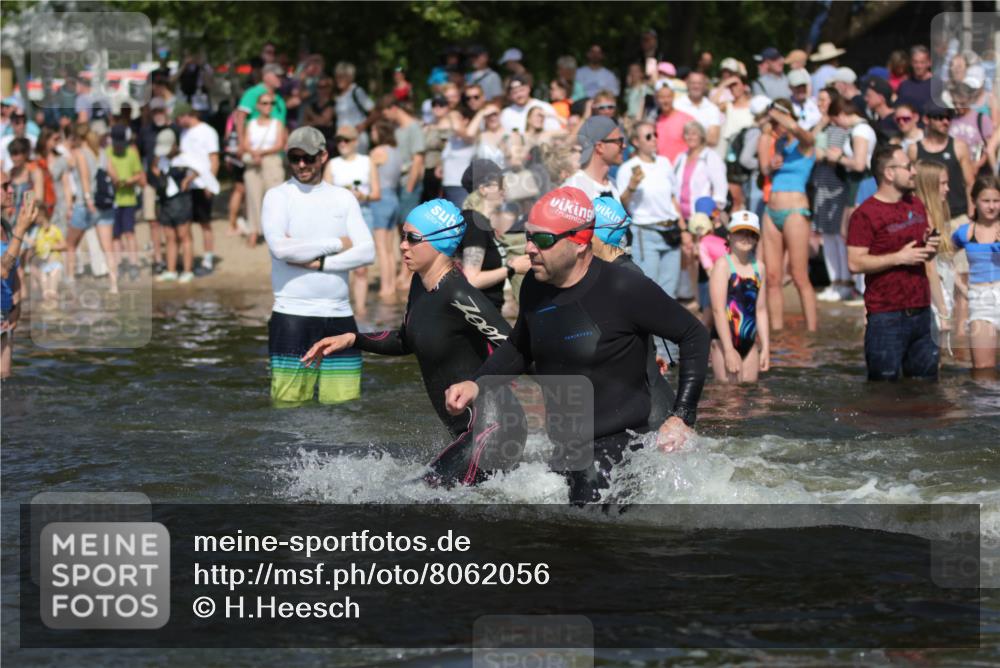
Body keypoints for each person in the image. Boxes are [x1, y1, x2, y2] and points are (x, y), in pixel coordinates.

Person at [443, 187, 710, 504]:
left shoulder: (623, 287)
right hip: (567, 449)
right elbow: (520, 347)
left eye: (542, 239)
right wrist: (477, 384)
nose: (529, 248)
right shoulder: (534, 287)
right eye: (528, 236)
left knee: (583, 523)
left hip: (621, 447)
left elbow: (694, 334)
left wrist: (681, 416)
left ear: (580, 242)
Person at [302, 199, 525, 486]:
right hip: (467, 431)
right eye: (403, 236)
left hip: (495, 428)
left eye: (413, 238)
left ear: (440, 242)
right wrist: (353, 339)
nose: (403, 245)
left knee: (418, 495)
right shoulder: (420, 283)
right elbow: (405, 341)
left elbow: (518, 347)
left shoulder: (460, 295)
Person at [262, 126, 375, 406]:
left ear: (323, 156)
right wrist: (338, 242)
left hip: (340, 315)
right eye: (295, 158)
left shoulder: (343, 197)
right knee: (288, 407)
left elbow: (367, 251)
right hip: (292, 315)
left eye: (308, 158)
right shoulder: (278, 196)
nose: (301, 164)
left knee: (345, 409)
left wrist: (320, 263)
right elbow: (280, 249)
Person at [847, 144, 939, 381]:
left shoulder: (916, 204)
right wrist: (899, 257)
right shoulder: (865, 214)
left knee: (927, 388)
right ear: (889, 173)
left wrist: (930, 247)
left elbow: (921, 252)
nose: (914, 172)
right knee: (883, 391)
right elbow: (855, 263)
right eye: (908, 167)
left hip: (922, 312)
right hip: (886, 316)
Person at [589, 195, 675, 429]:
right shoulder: (611, 273)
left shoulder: (625, 277)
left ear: (600, 234)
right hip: (633, 402)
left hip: (650, 408)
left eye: (586, 230)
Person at [758, 99, 818, 331]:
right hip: (771, 211)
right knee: (773, 277)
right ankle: (777, 331)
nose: (775, 126)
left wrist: (776, 113)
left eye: (777, 121)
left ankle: (812, 331)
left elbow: (796, 129)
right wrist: (771, 164)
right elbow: (764, 168)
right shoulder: (779, 144)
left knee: (799, 276)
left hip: (795, 211)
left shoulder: (805, 143)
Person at [457, 159, 530, 310]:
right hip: (479, 313)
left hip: (486, 311)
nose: (505, 189)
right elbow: (471, 279)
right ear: (484, 189)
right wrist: (512, 269)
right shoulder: (474, 224)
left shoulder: (482, 223)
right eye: (500, 183)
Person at [709, 210, 770, 384]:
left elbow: (761, 310)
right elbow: (718, 310)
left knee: (750, 390)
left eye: (751, 234)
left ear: (756, 238)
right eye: (740, 232)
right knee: (728, 394)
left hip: (749, 342)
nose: (746, 238)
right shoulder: (723, 265)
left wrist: (766, 347)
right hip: (723, 341)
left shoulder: (759, 268)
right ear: (729, 236)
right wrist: (728, 350)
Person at [325, 125, 380, 314]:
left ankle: (361, 312)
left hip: (363, 215)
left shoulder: (367, 162)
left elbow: (377, 193)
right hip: (338, 218)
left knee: (361, 267)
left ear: (355, 142)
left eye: (346, 140)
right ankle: (341, 309)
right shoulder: (332, 164)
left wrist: (363, 196)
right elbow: (325, 194)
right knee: (340, 264)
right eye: (339, 140)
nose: (342, 144)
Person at [951, 175, 1000, 376]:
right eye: (986, 201)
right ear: (974, 201)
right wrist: (962, 287)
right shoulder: (964, 233)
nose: (992, 206)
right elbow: (943, 260)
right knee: (983, 371)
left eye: (996, 201)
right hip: (980, 301)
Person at [63, 124, 116, 293]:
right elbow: (115, 177)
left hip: (85, 205)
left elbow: (84, 178)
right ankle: (114, 285)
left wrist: (88, 199)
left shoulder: (80, 153)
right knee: (108, 248)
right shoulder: (102, 153)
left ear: (78, 138)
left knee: (70, 244)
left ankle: (70, 279)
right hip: (105, 204)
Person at [811, 87, 852, 302]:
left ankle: (845, 283)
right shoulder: (819, 127)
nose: (820, 104)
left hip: (837, 186)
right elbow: (809, 147)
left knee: (838, 235)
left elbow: (826, 154)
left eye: (824, 100)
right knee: (826, 236)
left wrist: (820, 153)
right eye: (818, 100)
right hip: (821, 186)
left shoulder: (840, 128)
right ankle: (834, 282)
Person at [914, 160, 956, 356]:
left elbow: (945, 265)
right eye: (943, 184)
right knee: (931, 360)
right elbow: (930, 269)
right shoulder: (926, 220)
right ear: (929, 186)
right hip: (933, 299)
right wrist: (943, 313)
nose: (948, 189)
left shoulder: (937, 214)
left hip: (941, 294)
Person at [909, 103, 974, 222]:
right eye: (940, 117)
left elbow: (970, 183)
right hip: (927, 216)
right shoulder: (914, 150)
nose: (945, 122)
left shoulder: (959, 146)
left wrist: (971, 211)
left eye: (948, 118)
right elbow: (911, 184)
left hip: (957, 215)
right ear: (926, 119)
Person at [176, 102, 220, 275]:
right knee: (186, 223)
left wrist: (210, 183)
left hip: (203, 184)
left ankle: (208, 260)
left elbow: (214, 159)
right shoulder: (184, 133)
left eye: (179, 118)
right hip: (187, 185)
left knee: (205, 223)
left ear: (187, 114)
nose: (177, 122)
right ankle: (190, 259)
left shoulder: (207, 131)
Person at [150, 127, 196, 283]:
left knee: (184, 235)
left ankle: (188, 270)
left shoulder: (185, 158)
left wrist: (188, 180)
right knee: (169, 236)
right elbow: (154, 168)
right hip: (166, 201)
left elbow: (201, 168)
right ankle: (171, 270)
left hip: (181, 200)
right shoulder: (161, 159)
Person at [241, 92, 287, 248]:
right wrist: (254, 153)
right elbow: (245, 143)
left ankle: (275, 232)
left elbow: (280, 144)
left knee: (274, 199)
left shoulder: (277, 123)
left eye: (271, 103)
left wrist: (261, 153)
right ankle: (253, 231)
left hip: (272, 161)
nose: (269, 106)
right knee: (253, 197)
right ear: (258, 106)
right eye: (265, 103)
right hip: (253, 162)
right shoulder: (251, 123)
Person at [368, 118, 402, 301]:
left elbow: (367, 174)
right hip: (394, 198)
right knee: (389, 249)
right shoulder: (396, 152)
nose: (371, 134)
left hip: (380, 198)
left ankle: (385, 288)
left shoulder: (377, 152)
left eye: (374, 131)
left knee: (381, 248)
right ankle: (391, 286)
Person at [107, 125, 145, 277]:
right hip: (112, 200)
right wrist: (114, 179)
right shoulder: (107, 152)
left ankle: (133, 263)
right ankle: (119, 264)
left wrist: (130, 180)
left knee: (130, 232)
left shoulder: (131, 153)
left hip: (129, 199)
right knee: (115, 235)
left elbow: (139, 174)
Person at [674, 121, 728, 221]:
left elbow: (720, 188)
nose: (690, 137)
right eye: (687, 134)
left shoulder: (710, 157)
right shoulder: (681, 157)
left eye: (694, 134)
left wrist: (714, 214)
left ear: (701, 136)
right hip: (680, 217)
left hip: (703, 217)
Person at [562, 116, 624, 201]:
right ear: (600, 147)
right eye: (619, 141)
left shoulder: (612, 184)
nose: (624, 145)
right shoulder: (574, 189)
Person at [236, 63, 287, 153]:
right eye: (277, 76)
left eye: (281, 76)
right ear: (266, 76)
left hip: (277, 153)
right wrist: (241, 143)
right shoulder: (252, 93)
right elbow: (240, 118)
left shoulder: (279, 98)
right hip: (255, 152)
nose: (280, 79)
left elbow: (282, 123)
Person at [333, 62, 375, 154]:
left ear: (350, 77)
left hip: (357, 139)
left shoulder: (357, 91)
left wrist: (364, 125)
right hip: (342, 140)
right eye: (337, 77)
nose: (338, 80)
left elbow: (374, 111)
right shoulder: (338, 96)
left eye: (342, 77)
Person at [675, 71, 722, 148]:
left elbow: (713, 139)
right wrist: (702, 136)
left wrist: (688, 137)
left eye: (699, 83)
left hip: (704, 153)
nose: (696, 86)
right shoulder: (677, 105)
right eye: (693, 83)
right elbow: (673, 134)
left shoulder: (712, 109)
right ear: (687, 84)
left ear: (705, 86)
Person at [650, 85, 694, 163]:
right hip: (661, 167)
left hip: (681, 166)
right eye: (662, 97)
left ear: (673, 97)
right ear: (656, 99)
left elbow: (696, 146)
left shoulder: (687, 119)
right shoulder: (654, 121)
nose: (665, 100)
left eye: (668, 97)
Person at [303, 76, 336, 149]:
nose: (322, 90)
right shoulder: (311, 106)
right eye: (319, 87)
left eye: (325, 87)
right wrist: (320, 121)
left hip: (328, 144)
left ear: (329, 88)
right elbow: (304, 125)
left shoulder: (333, 104)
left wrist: (311, 114)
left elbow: (323, 121)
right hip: (312, 144)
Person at [897, 45, 934, 111]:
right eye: (915, 62)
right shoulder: (904, 85)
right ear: (911, 63)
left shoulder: (937, 85)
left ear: (929, 63)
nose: (919, 66)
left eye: (922, 62)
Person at [863, 77, 899, 142]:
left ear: (881, 98)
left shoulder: (895, 120)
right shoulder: (879, 120)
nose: (865, 99)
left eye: (869, 96)